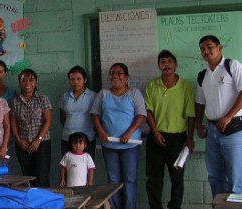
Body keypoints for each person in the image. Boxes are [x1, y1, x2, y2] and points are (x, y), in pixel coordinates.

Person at [90, 63, 146, 209]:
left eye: (119, 73)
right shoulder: (103, 94)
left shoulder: (134, 93)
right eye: (112, 73)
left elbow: (141, 115)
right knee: (113, 180)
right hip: (109, 144)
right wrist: (101, 131)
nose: (115, 76)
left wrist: (129, 132)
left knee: (130, 179)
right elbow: (95, 114)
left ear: (126, 77)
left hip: (130, 144)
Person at [145, 50, 195, 209]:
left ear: (175, 65)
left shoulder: (185, 86)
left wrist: (190, 138)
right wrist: (155, 132)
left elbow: (191, 114)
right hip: (156, 136)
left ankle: (174, 207)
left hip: (178, 139)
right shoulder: (152, 85)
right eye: (162, 62)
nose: (166, 65)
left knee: (177, 178)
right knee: (154, 178)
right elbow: (148, 111)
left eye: (169, 61)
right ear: (158, 66)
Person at [195, 35, 242, 197]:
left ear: (220, 48)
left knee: (236, 178)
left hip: (234, 129)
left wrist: (228, 116)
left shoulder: (232, 65)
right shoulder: (203, 75)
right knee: (215, 176)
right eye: (202, 49)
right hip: (212, 130)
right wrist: (198, 124)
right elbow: (200, 103)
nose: (206, 51)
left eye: (209, 47)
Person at [10, 69, 52, 187]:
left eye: (31, 80)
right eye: (24, 80)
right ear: (19, 83)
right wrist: (18, 140)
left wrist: (38, 140)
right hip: (23, 144)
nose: (27, 83)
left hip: (41, 143)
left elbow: (47, 121)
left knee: (42, 175)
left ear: (36, 83)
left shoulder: (43, 99)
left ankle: (44, 203)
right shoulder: (15, 101)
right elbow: (13, 122)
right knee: (28, 176)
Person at [59, 65, 97, 159]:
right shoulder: (65, 96)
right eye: (72, 79)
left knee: (86, 169)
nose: (75, 82)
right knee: (68, 169)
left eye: (78, 79)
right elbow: (62, 118)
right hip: (67, 138)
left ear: (85, 80)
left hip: (87, 139)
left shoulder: (93, 96)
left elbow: (97, 118)